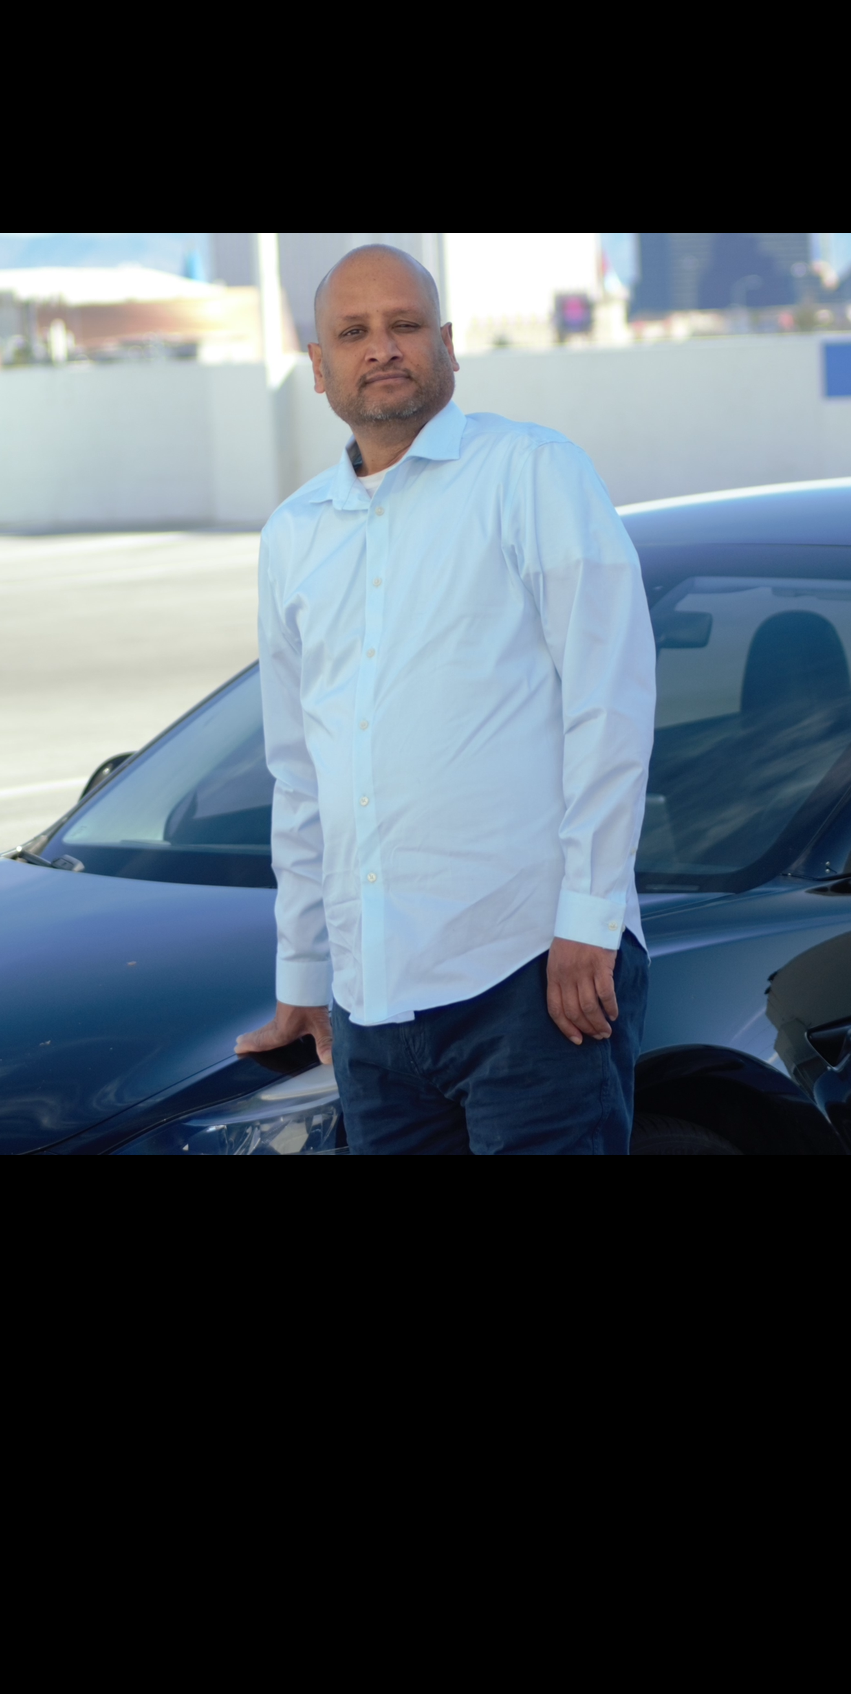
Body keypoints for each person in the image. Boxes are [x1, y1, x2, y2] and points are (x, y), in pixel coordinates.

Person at [236, 245, 656, 1155]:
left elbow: (609, 704)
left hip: (534, 981)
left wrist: (590, 920)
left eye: (404, 325)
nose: (381, 348)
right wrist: (305, 970)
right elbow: (299, 772)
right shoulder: (294, 536)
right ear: (318, 366)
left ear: (449, 347)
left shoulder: (534, 474)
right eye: (353, 332)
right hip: (371, 1006)